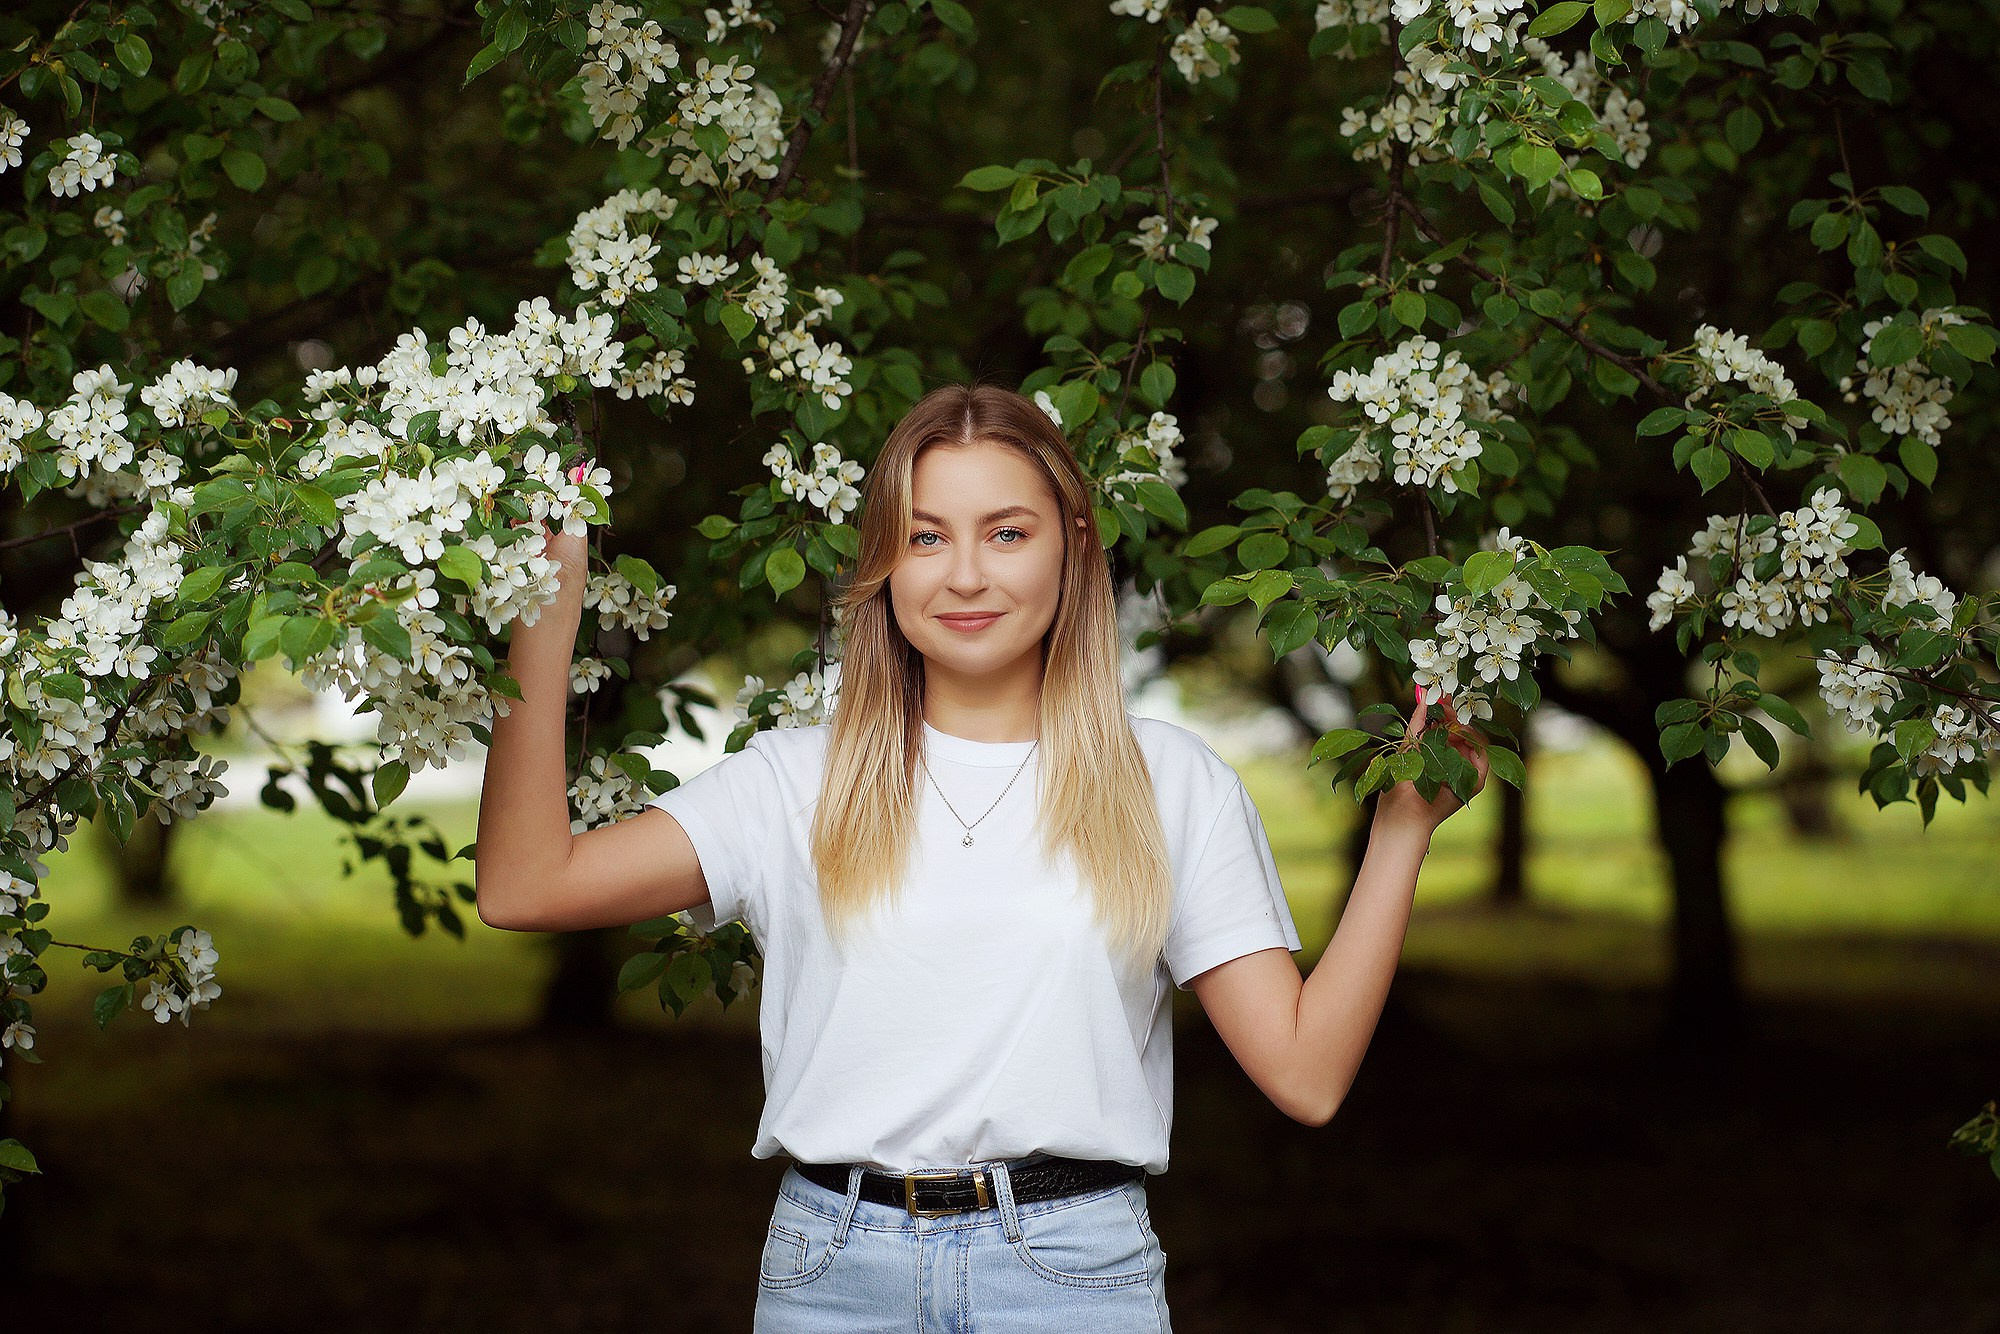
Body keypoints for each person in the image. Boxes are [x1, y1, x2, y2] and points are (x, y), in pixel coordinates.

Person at [474, 380, 1489, 1331]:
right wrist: (541, 620)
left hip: (1072, 1275)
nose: (965, 573)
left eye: (1006, 532)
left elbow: (1305, 1075)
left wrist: (1400, 833)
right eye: (925, 536)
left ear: (1072, 546)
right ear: (882, 560)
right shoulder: (789, 781)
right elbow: (523, 885)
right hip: (831, 1274)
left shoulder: (1170, 781)